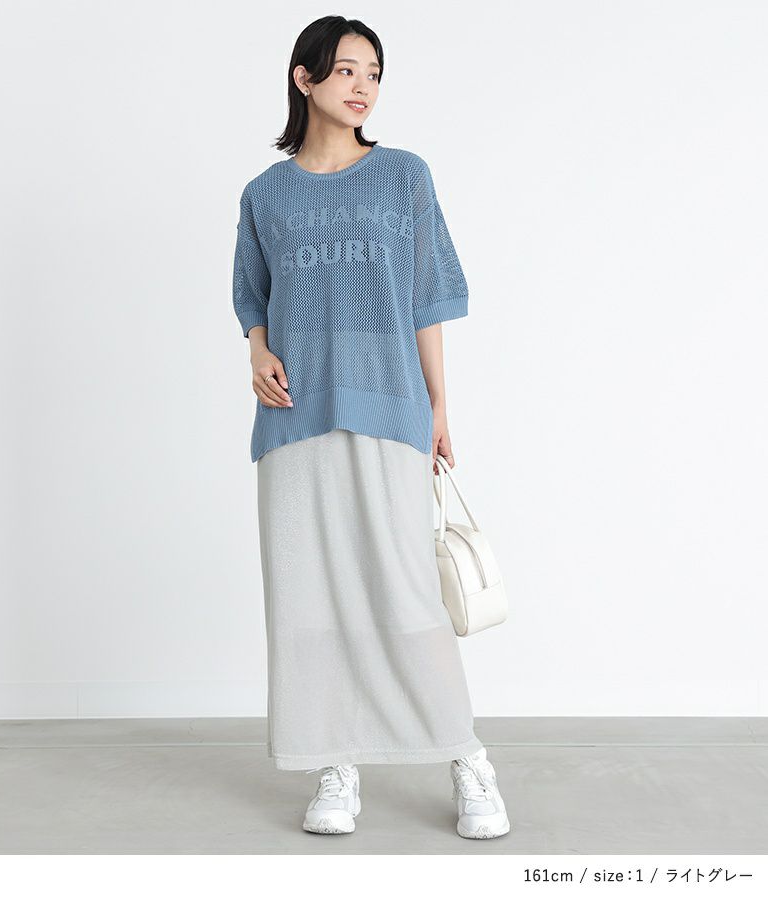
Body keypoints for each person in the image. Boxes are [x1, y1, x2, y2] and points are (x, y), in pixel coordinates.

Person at [232, 15, 510, 841]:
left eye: (375, 73)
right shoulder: (264, 194)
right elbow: (252, 295)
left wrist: (439, 406)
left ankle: (465, 756)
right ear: (304, 77)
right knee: (307, 596)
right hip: (294, 415)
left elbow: (428, 297)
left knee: (404, 588)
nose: (363, 87)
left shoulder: (403, 176)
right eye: (347, 70)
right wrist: (256, 349)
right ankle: (335, 760)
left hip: (389, 404)